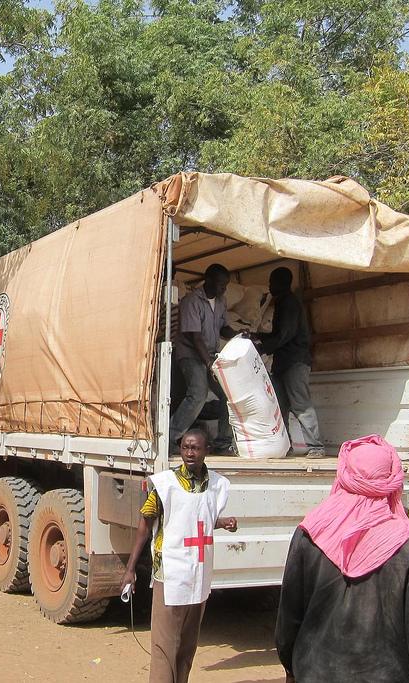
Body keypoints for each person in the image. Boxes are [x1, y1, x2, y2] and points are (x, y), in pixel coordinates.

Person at [275, 434, 409, 683]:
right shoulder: (407, 543)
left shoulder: (310, 533)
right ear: (391, 480)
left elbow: (290, 612)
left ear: (344, 474)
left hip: (315, 671)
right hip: (386, 674)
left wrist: (290, 665)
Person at [120, 427, 237, 683]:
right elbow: (144, 524)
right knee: (164, 644)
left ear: (207, 451)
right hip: (170, 572)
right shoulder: (165, 485)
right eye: (185, 447)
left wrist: (221, 522)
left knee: (188, 643)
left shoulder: (216, 485)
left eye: (195, 448)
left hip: (199, 575)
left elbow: (199, 520)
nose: (189, 453)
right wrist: (130, 569)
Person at [255, 267, 324, 458]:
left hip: (294, 361)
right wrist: (258, 337)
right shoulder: (284, 302)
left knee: (300, 404)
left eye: (272, 282)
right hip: (285, 362)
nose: (270, 286)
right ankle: (285, 445)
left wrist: (262, 347)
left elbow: (285, 335)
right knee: (281, 406)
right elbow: (281, 334)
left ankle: (315, 446)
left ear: (281, 283)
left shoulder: (289, 302)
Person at [170, 264, 236, 453]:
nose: (223, 289)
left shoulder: (221, 302)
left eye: (226, 285)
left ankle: (223, 442)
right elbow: (194, 336)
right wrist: (209, 364)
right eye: (220, 284)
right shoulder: (191, 301)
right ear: (208, 280)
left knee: (227, 395)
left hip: (210, 356)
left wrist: (238, 334)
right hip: (190, 354)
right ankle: (171, 438)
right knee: (198, 394)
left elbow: (223, 327)